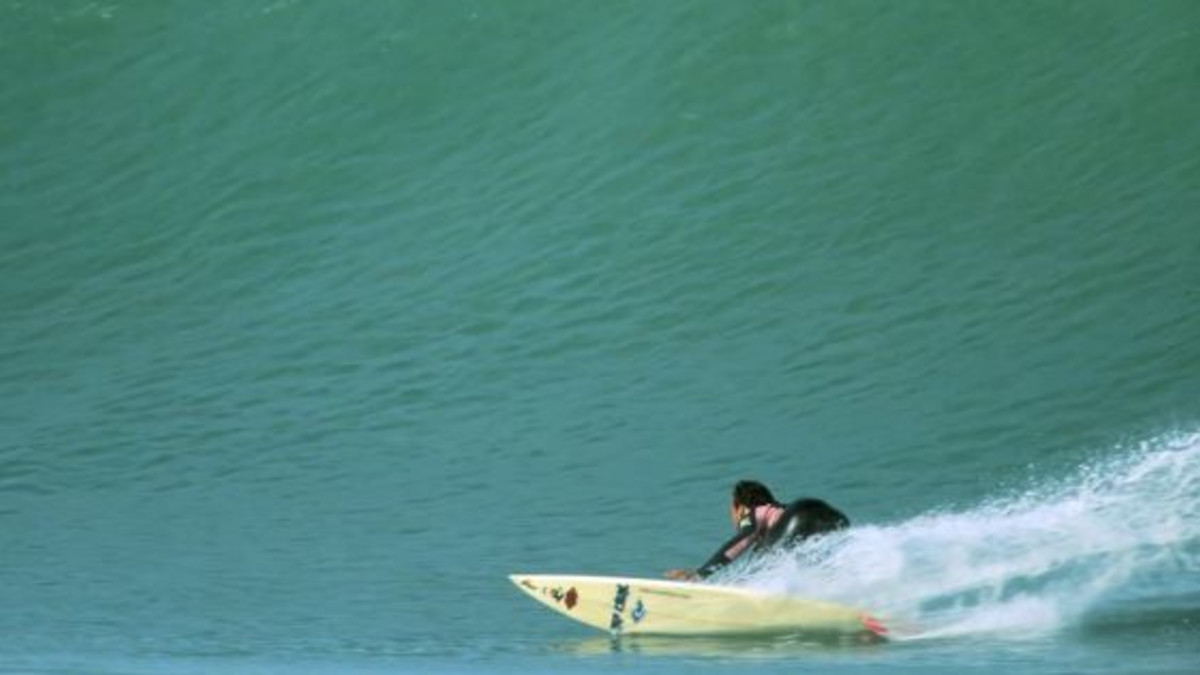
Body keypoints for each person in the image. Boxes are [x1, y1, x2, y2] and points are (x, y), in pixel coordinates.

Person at [666, 480, 850, 580]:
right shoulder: (775, 517)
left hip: (799, 516)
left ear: (739, 507)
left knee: (766, 565)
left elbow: (743, 539)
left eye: (732, 509)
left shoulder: (751, 511)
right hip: (829, 515)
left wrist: (701, 573)